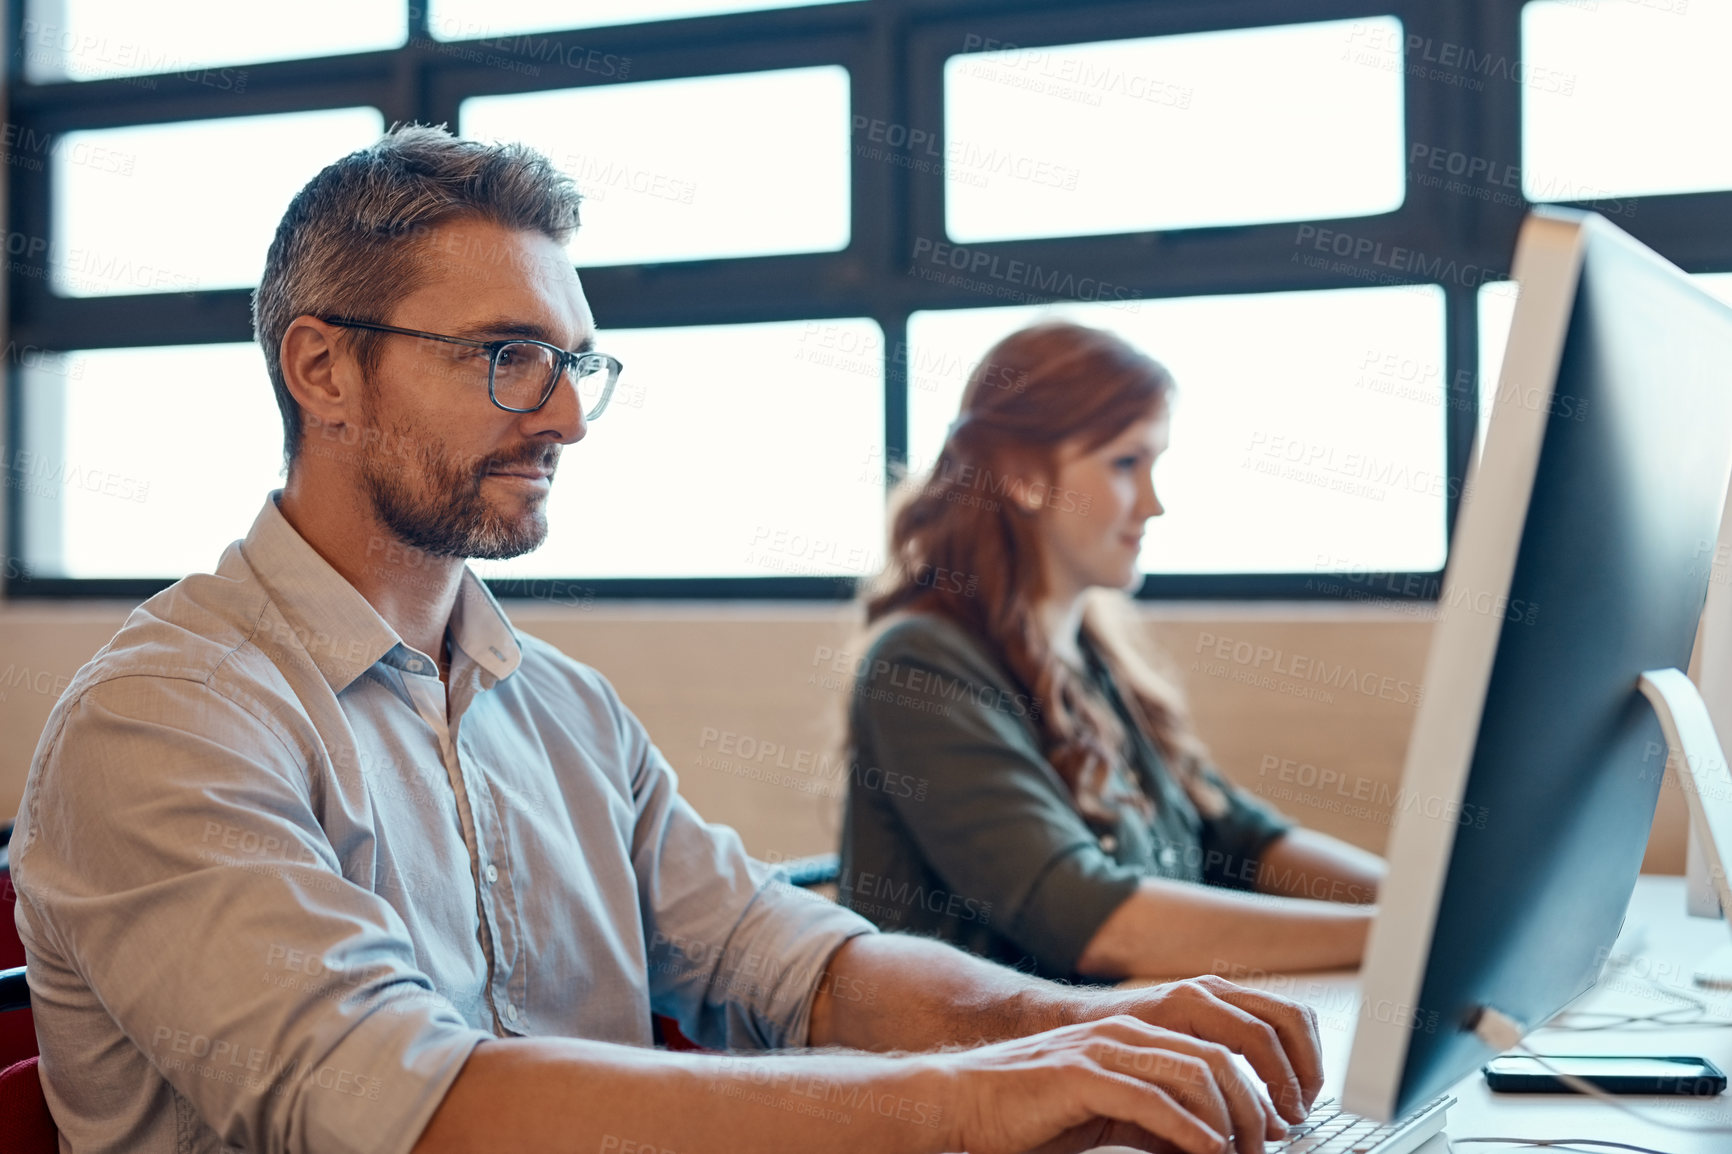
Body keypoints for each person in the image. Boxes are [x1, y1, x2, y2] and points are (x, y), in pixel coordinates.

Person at [10, 126, 1324, 1154]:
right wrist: (970, 1103)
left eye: (577, 362)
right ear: (322, 370)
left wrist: (1092, 1028)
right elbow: (409, 1109)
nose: (567, 418)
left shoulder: (564, 710)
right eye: (508, 356)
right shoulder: (166, 719)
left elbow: (799, 961)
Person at [839, 321, 1387, 984]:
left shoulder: (1091, 661)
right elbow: (1088, 918)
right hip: (984, 1079)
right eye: (1127, 464)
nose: (1154, 504)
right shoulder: (920, 665)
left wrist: (1417, 905)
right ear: (1022, 477)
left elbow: (1237, 839)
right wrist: (1395, 938)